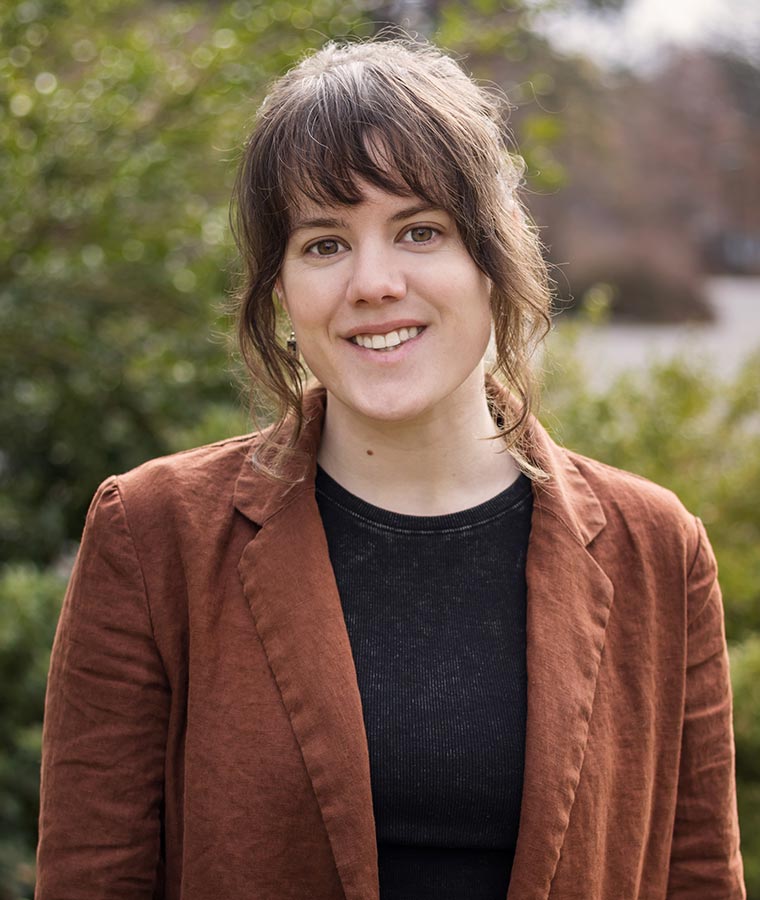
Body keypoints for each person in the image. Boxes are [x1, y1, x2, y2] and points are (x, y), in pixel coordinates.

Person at [36, 37, 745, 900]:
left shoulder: (657, 550)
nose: (372, 281)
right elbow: (91, 880)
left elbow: (699, 877)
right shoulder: (152, 538)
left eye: (419, 231)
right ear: (282, 292)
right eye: (324, 243)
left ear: (494, 262)